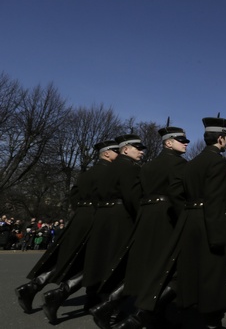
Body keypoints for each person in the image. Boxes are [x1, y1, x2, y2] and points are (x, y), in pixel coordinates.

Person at [121, 117, 226, 329]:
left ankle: (141, 317)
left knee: (183, 274)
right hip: (206, 222)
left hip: (188, 220)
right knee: (209, 276)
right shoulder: (217, 162)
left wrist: (187, 215)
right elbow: (214, 200)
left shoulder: (192, 164)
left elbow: (176, 192)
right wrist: (218, 235)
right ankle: (210, 322)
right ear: (221, 138)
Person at [89, 126, 189, 329]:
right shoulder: (179, 165)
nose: (186, 143)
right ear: (168, 142)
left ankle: (112, 306)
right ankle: (134, 313)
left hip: (146, 216)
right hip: (165, 217)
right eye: (181, 139)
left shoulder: (147, 167)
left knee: (144, 266)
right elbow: (177, 194)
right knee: (167, 268)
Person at [17, 139, 118, 319]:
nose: (119, 154)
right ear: (107, 153)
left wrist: (82, 210)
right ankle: (61, 295)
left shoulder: (88, 172)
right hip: (96, 216)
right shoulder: (110, 171)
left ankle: (33, 287)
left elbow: (74, 195)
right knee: (94, 260)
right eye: (116, 151)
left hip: (81, 216)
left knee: (72, 258)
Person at [83, 134, 145, 310]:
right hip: (121, 216)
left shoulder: (105, 168)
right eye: (137, 148)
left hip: (103, 215)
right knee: (119, 261)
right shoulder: (130, 167)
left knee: (100, 258)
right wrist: (140, 216)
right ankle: (109, 308)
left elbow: (94, 195)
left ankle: (92, 299)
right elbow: (132, 196)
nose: (141, 152)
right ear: (125, 149)